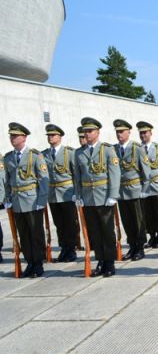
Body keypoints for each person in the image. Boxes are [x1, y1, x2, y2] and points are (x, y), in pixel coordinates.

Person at [74, 117, 121, 277]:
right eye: (85, 131)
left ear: (97, 132)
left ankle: (110, 262)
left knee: (107, 231)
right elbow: (77, 176)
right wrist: (78, 195)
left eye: (90, 131)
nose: (87, 134)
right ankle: (100, 260)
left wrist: (113, 195)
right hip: (88, 198)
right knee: (94, 232)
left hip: (104, 196)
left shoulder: (107, 150)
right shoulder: (79, 152)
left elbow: (114, 173)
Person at [4, 122, 49, 278]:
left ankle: (38, 264)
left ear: (24, 137)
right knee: (23, 234)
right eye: (11, 136)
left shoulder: (35, 156)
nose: (12, 138)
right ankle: (29, 262)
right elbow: (7, 181)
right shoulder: (8, 158)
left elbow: (43, 179)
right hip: (17, 202)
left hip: (32, 200)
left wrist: (41, 201)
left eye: (15, 136)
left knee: (36, 233)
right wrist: (7, 198)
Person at [113, 119, 151, 261]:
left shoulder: (137, 148)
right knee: (127, 221)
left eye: (122, 131)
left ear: (129, 132)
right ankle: (132, 246)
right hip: (121, 192)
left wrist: (144, 190)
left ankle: (140, 247)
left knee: (138, 221)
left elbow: (146, 171)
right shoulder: (113, 149)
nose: (119, 134)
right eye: (117, 132)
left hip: (135, 190)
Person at [41, 123, 79, 262]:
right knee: (59, 224)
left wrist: (77, 192)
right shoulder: (44, 154)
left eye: (53, 135)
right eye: (49, 135)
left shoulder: (69, 153)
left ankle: (71, 250)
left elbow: (76, 174)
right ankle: (64, 248)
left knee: (70, 223)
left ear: (60, 137)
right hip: (52, 194)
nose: (50, 137)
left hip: (67, 193)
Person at [137, 121, 158, 249]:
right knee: (146, 214)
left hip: (156, 186)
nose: (143, 135)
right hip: (143, 188)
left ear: (150, 133)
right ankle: (152, 235)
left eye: (145, 132)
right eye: (141, 133)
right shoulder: (137, 150)